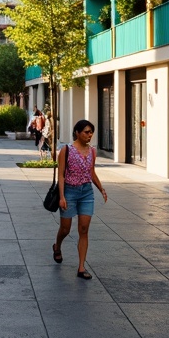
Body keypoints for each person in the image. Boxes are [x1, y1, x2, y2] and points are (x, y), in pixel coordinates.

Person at [51, 119, 107, 280]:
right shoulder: (66, 150)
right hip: (69, 192)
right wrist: (62, 196)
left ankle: (81, 267)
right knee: (65, 229)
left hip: (86, 193)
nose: (89, 135)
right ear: (77, 133)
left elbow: (92, 172)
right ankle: (57, 246)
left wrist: (101, 188)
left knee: (83, 229)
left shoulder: (92, 151)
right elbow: (61, 175)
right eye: (86, 132)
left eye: (91, 132)